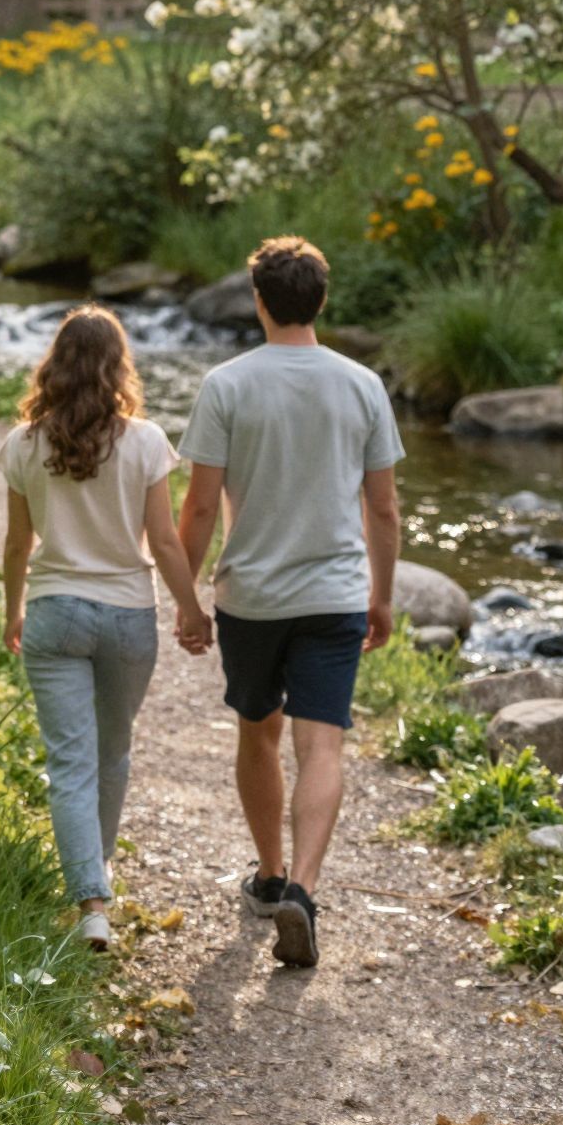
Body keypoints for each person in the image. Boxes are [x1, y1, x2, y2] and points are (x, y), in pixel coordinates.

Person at [177, 236, 403, 970]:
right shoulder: (362, 384)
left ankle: (270, 873)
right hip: (335, 594)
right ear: (322, 299)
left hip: (254, 596)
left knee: (258, 730)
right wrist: (383, 597)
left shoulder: (228, 384)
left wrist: (186, 595)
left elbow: (202, 509)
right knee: (323, 744)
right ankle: (303, 891)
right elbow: (385, 511)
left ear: (258, 300)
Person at [0, 306, 212, 951]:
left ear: (53, 365)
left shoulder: (23, 443)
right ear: (119, 366)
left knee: (70, 763)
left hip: (56, 611)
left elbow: (15, 545)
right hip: (127, 615)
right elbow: (166, 543)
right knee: (112, 752)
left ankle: (91, 900)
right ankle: (99, 867)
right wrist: (191, 609)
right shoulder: (144, 442)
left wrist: (14, 610)